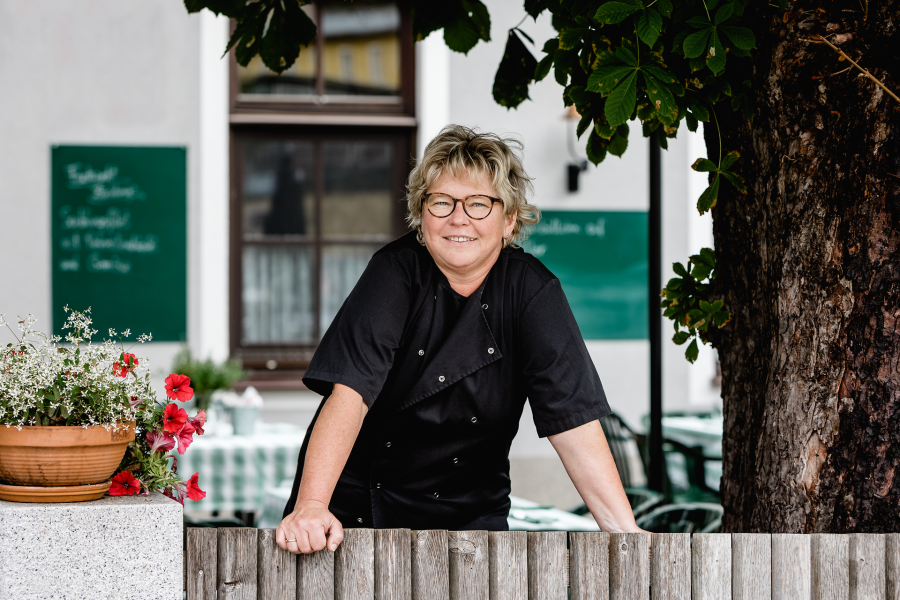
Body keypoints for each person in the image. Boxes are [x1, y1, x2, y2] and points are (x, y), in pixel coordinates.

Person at [277, 125, 645, 554]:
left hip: (472, 518)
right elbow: (350, 394)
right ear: (421, 214)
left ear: (509, 221)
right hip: (356, 516)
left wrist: (626, 536)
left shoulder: (531, 292)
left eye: (478, 204)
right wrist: (311, 505)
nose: (458, 218)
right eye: (442, 202)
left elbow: (573, 420)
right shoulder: (394, 273)